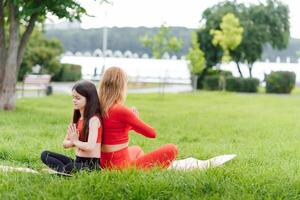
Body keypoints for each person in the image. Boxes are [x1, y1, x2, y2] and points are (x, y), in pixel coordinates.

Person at [98, 67, 236, 171]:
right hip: (121, 168)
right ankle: (147, 168)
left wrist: (129, 124)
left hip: (106, 163)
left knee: (137, 149)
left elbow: (113, 135)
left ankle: (146, 164)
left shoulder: (100, 106)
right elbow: (152, 133)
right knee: (172, 149)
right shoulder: (121, 110)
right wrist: (134, 120)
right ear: (121, 87)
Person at [41, 80, 102, 175]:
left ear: (89, 99)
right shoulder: (77, 118)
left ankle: (64, 171)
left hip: (91, 164)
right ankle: (65, 172)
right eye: (73, 97)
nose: (74, 100)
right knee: (45, 154)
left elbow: (90, 146)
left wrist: (75, 141)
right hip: (78, 161)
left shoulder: (93, 120)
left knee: (70, 167)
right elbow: (65, 144)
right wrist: (73, 141)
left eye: (78, 98)